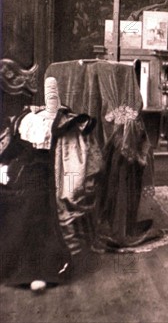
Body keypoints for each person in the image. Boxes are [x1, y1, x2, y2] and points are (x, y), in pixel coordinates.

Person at [0, 77, 96, 292]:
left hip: (52, 173)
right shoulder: (27, 119)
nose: (50, 95)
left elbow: (75, 164)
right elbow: (12, 148)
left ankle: (40, 271)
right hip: (24, 168)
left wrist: (70, 190)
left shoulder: (68, 124)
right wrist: (3, 167)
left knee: (35, 205)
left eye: (54, 92)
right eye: (47, 92)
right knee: (12, 199)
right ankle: (10, 264)